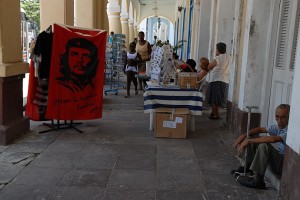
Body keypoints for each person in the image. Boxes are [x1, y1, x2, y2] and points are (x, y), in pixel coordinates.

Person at [232, 104, 290, 189]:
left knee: (264, 146)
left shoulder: (290, 130)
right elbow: (260, 129)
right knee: (252, 137)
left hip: (284, 166)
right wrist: (244, 136)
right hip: (278, 160)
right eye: (277, 117)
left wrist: (248, 141)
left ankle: (258, 180)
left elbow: (273, 139)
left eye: (283, 117)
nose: (279, 120)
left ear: (289, 117)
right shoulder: (279, 127)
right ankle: (248, 168)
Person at [206, 42, 231, 120]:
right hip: (225, 79)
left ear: (217, 50)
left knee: (214, 98)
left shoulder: (218, 58)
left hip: (216, 79)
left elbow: (209, 66)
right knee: (219, 97)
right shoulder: (229, 57)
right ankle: (214, 112)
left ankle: (215, 114)